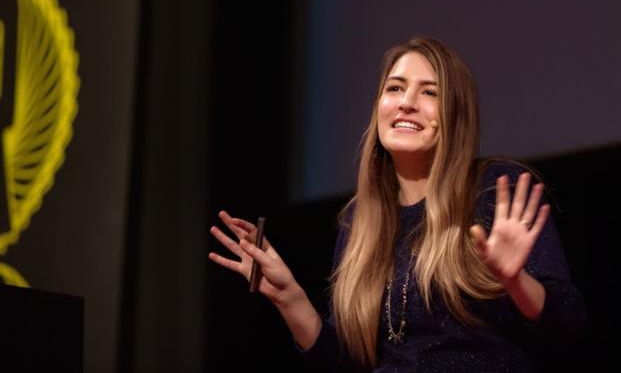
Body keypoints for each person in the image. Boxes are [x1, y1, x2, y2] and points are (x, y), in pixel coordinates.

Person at [208, 37, 586, 372]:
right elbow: (348, 360)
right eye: (395, 88)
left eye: (429, 92)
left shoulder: (493, 189)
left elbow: (568, 326)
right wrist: (289, 296)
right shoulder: (360, 219)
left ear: (455, 115)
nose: (406, 103)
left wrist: (514, 280)